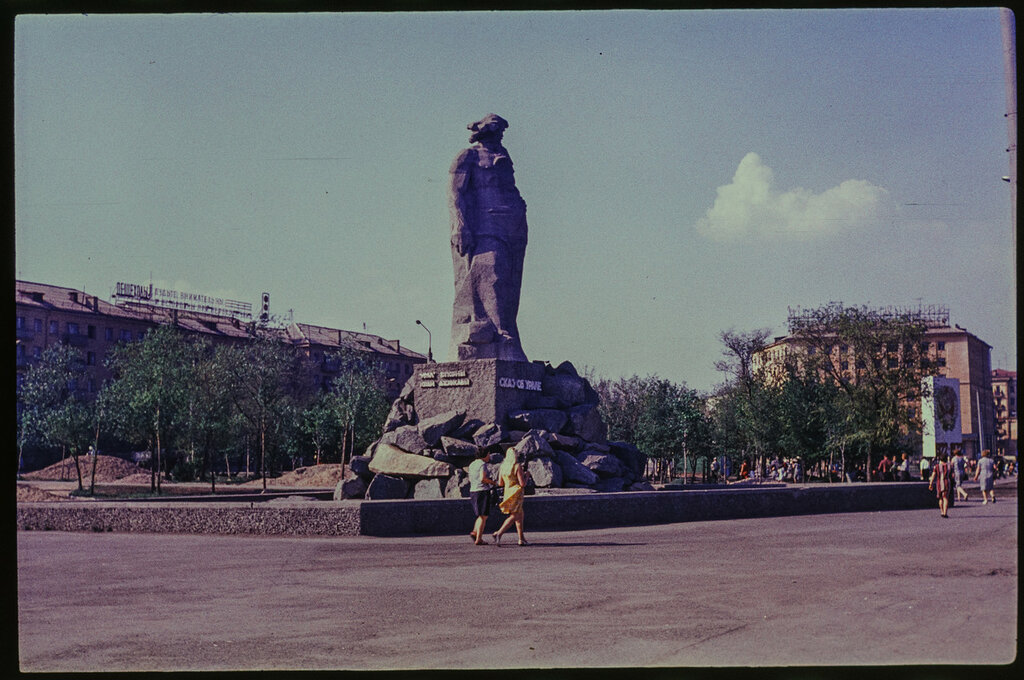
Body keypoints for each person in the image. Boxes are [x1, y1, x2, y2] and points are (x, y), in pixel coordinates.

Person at [448, 113, 529, 362]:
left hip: (513, 226)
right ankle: (496, 329)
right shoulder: (468, 156)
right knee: (490, 269)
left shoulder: (504, 156)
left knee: (509, 282)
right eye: (498, 131)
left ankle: (505, 330)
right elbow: (455, 194)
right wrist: (459, 225)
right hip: (484, 223)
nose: (501, 135)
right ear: (487, 131)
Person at [493, 449, 529, 546]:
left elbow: (500, 483)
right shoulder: (517, 466)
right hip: (517, 493)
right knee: (515, 516)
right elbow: (522, 484)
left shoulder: (503, 467)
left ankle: (521, 539)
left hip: (508, 492)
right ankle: (499, 533)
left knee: (520, 515)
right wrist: (527, 476)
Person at [467, 449, 496, 545]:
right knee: (483, 516)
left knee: (480, 515)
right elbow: (482, 479)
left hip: (473, 490)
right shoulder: (482, 464)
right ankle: (479, 538)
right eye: (488, 454)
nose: (489, 456)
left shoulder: (472, 464)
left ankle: (475, 532)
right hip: (482, 491)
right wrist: (492, 482)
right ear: (484, 455)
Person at [928, 452, 953, 518]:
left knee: (940, 498)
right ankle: (945, 512)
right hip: (947, 482)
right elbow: (952, 475)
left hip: (939, 483)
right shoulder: (949, 466)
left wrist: (930, 484)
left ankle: (942, 511)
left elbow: (933, 476)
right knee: (945, 498)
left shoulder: (936, 467)